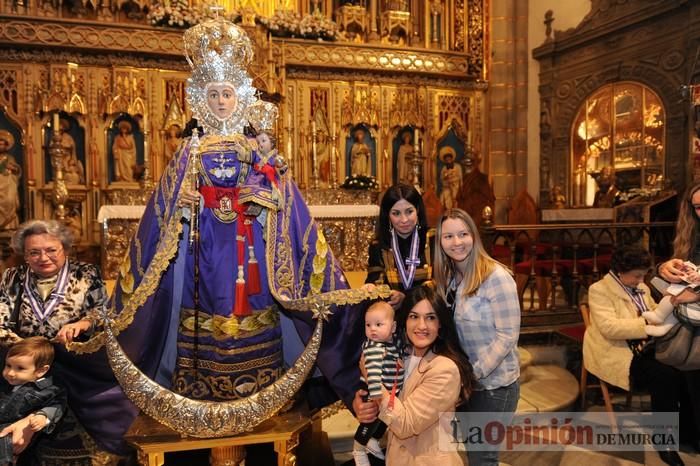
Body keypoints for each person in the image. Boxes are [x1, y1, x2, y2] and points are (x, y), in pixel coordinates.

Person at [71, 17, 369, 456]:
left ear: (240, 97)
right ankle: (203, 381)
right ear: (201, 99)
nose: (222, 101)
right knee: (207, 302)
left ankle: (263, 378)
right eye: (213, 94)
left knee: (250, 300)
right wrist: (184, 202)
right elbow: (165, 203)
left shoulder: (256, 149)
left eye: (228, 93)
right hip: (204, 248)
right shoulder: (189, 150)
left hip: (249, 247)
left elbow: (281, 196)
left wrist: (258, 196)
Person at [0, 220, 126, 463]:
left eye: (51, 250)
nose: (43, 257)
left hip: (74, 361)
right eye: (33, 252)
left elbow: (104, 313)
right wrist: (27, 351)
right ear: (24, 255)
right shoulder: (12, 276)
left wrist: (82, 324)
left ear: (65, 249)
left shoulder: (86, 273)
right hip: (25, 364)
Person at [433, 208, 520, 466]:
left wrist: (472, 375)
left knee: (483, 458)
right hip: (466, 385)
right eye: (448, 236)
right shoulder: (451, 278)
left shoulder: (497, 278)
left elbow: (507, 336)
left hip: (494, 386)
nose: (457, 242)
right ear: (440, 241)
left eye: (463, 234)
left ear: (474, 236)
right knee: (473, 455)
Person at [585, 244, 686, 466]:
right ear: (620, 271)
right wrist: (649, 324)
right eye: (637, 276)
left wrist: (670, 306)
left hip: (645, 346)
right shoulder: (599, 290)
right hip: (618, 351)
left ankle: (682, 429)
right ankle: (663, 441)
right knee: (665, 375)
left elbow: (653, 310)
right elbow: (609, 328)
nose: (641, 281)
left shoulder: (642, 287)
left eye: (644, 275)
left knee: (683, 367)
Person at [354, 285, 474, 466]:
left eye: (431, 318)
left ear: (440, 323)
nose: (422, 326)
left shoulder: (445, 368)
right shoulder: (400, 355)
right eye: (414, 316)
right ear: (403, 322)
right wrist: (363, 406)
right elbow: (387, 404)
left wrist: (372, 380)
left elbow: (404, 425)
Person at [0, 337, 66, 464]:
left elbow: (57, 405)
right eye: (8, 366)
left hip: (14, 431)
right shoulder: (5, 382)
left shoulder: (49, 389)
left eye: (20, 368)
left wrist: (43, 416)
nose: (10, 373)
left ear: (41, 370)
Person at [366, 184, 432, 310]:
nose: (404, 219)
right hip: (393, 315)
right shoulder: (378, 245)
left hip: (429, 310)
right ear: (387, 215)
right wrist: (373, 288)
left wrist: (406, 297)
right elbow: (375, 280)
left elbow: (443, 283)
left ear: (418, 210)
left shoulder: (434, 239)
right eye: (396, 213)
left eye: (409, 211)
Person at [353, 300, 403, 466]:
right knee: (371, 419)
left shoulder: (391, 343)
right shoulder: (374, 347)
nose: (372, 329)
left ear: (393, 328)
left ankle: (373, 440)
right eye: (368, 325)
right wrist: (376, 395)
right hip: (373, 389)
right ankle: (359, 450)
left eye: (378, 324)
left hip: (386, 390)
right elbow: (373, 372)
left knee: (383, 420)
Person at [454, 149, 494, 228]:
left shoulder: (482, 178)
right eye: (466, 165)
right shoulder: (463, 179)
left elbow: (489, 199)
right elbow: (459, 198)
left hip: (480, 214)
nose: (467, 167)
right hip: (465, 213)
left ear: (475, 164)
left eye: (470, 164)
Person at [0, 131, 21, 230]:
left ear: (6, 146)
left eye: (2, 144)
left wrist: (13, 169)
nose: (0, 146)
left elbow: (17, 170)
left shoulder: (9, 158)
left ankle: (8, 225)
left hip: (8, 184)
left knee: (9, 201)